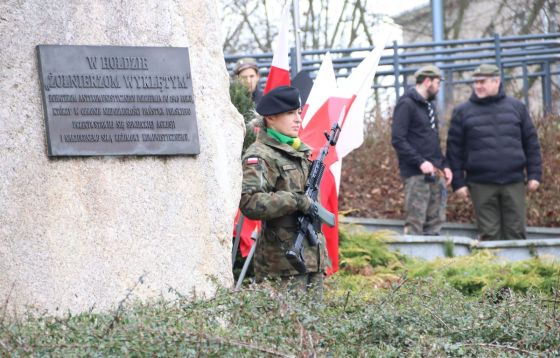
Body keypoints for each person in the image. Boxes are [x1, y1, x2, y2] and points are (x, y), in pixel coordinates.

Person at [239, 86, 327, 294]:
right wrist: (295, 201)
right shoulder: (260, 155)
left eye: (298, 113)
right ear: (270, 118)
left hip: (312, 259)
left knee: (315, 326)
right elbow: (249, 202)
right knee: (289, 326)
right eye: (290, 113)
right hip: (281, 265)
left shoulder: (299, 151)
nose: (298, 119)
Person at [446, 64, 542, 240]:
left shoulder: (516, 107)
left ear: (496, 81)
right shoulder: (462, 112)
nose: (478, 86)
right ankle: (495, 268)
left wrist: (534, 174)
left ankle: (516, 267)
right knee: (489, 235)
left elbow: (531, 143)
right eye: (476, 82)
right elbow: (454, 150)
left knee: (516, 232)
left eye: (482, 82)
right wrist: (458, 183)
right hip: (481, 184)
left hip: (514, 181)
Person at [391, 65, 452, 235]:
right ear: (427, 81)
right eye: (437, 83)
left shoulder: (429, 107)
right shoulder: (406, 104)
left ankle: (433, 262)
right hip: (416, 176)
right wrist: (420, 162)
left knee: (435, 224)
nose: (439, 87)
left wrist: (444, 165)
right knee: (415, 225)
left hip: (436, 174)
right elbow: (398, 139)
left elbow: (431, 141)